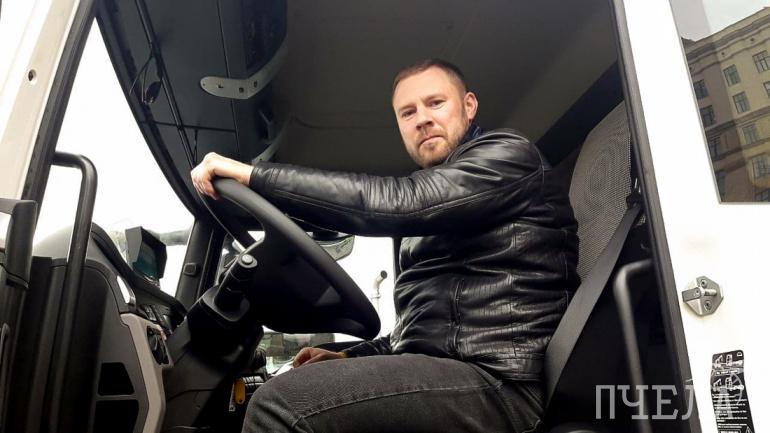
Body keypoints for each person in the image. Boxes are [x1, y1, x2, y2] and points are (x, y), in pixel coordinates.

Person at [191, 59, 579, 433]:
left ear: (469, 105)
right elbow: (413, 333)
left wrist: (255, 176)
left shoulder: (508, 156)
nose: (422, 119)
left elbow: (399, 201)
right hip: (455, 373)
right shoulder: (434, 218)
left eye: (435, 103)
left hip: (502, 383)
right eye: (407, 112)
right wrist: (348, 356)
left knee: (279, 404)